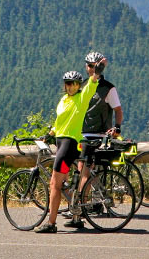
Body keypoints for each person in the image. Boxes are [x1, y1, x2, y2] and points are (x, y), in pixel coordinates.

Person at [34, 59, 106, 234]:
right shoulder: (64, 100)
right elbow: (60, 122)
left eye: (74, 84)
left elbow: (91, 86)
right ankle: (76, 216)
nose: (71, 86)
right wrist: (49, 134)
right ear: (65, 86)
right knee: (64, 182)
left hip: (69, 144)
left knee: (54, 184)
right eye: (68, 84)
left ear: (78, 85)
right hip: (60, 142)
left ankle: (51, 223)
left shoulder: (82, 98)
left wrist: (96, 73)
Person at [65, 52, 121, 226]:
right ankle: (87, 202)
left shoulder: (108, 88)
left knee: (84, 170)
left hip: (98, 135)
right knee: (75, 168)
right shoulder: (81, 87)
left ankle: (81, 207)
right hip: (81, 134)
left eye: (93, 65)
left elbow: (118, 110)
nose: (90, 68)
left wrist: (117, 127)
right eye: (88, 65)